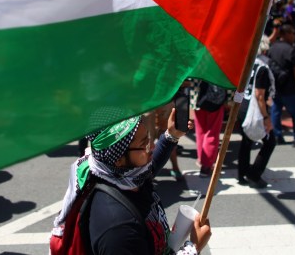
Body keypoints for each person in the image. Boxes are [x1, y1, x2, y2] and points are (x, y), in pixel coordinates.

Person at [52, 111, 211, 254]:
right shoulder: (118, 227)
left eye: (148, 139)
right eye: (144, 144)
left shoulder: (125, 174)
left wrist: (171, 135)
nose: (151, 147)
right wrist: (193, 248)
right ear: (119, 159)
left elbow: (151, 165)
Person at [236, 36, 276, 188]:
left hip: (243, 107)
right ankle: (254, 173)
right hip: (254, 111)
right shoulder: (263, 68)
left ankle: (242, 173)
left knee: (246, 142)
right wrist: (266, 117)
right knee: (270, 141)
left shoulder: (248, 64)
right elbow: (260, 95)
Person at [267, 24, 295, 148]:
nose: (294, 35)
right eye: (292, 33)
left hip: (275, 86)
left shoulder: (272, 48)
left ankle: (277, 135)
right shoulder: (292, 50)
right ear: (285, 34)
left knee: (276, 111)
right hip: (290, 87)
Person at [192, 80, 228, 177]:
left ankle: (201, 159)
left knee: (200, 132)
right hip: (216, 101)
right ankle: (206, 165)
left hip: (199, 98)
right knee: (212, 133)